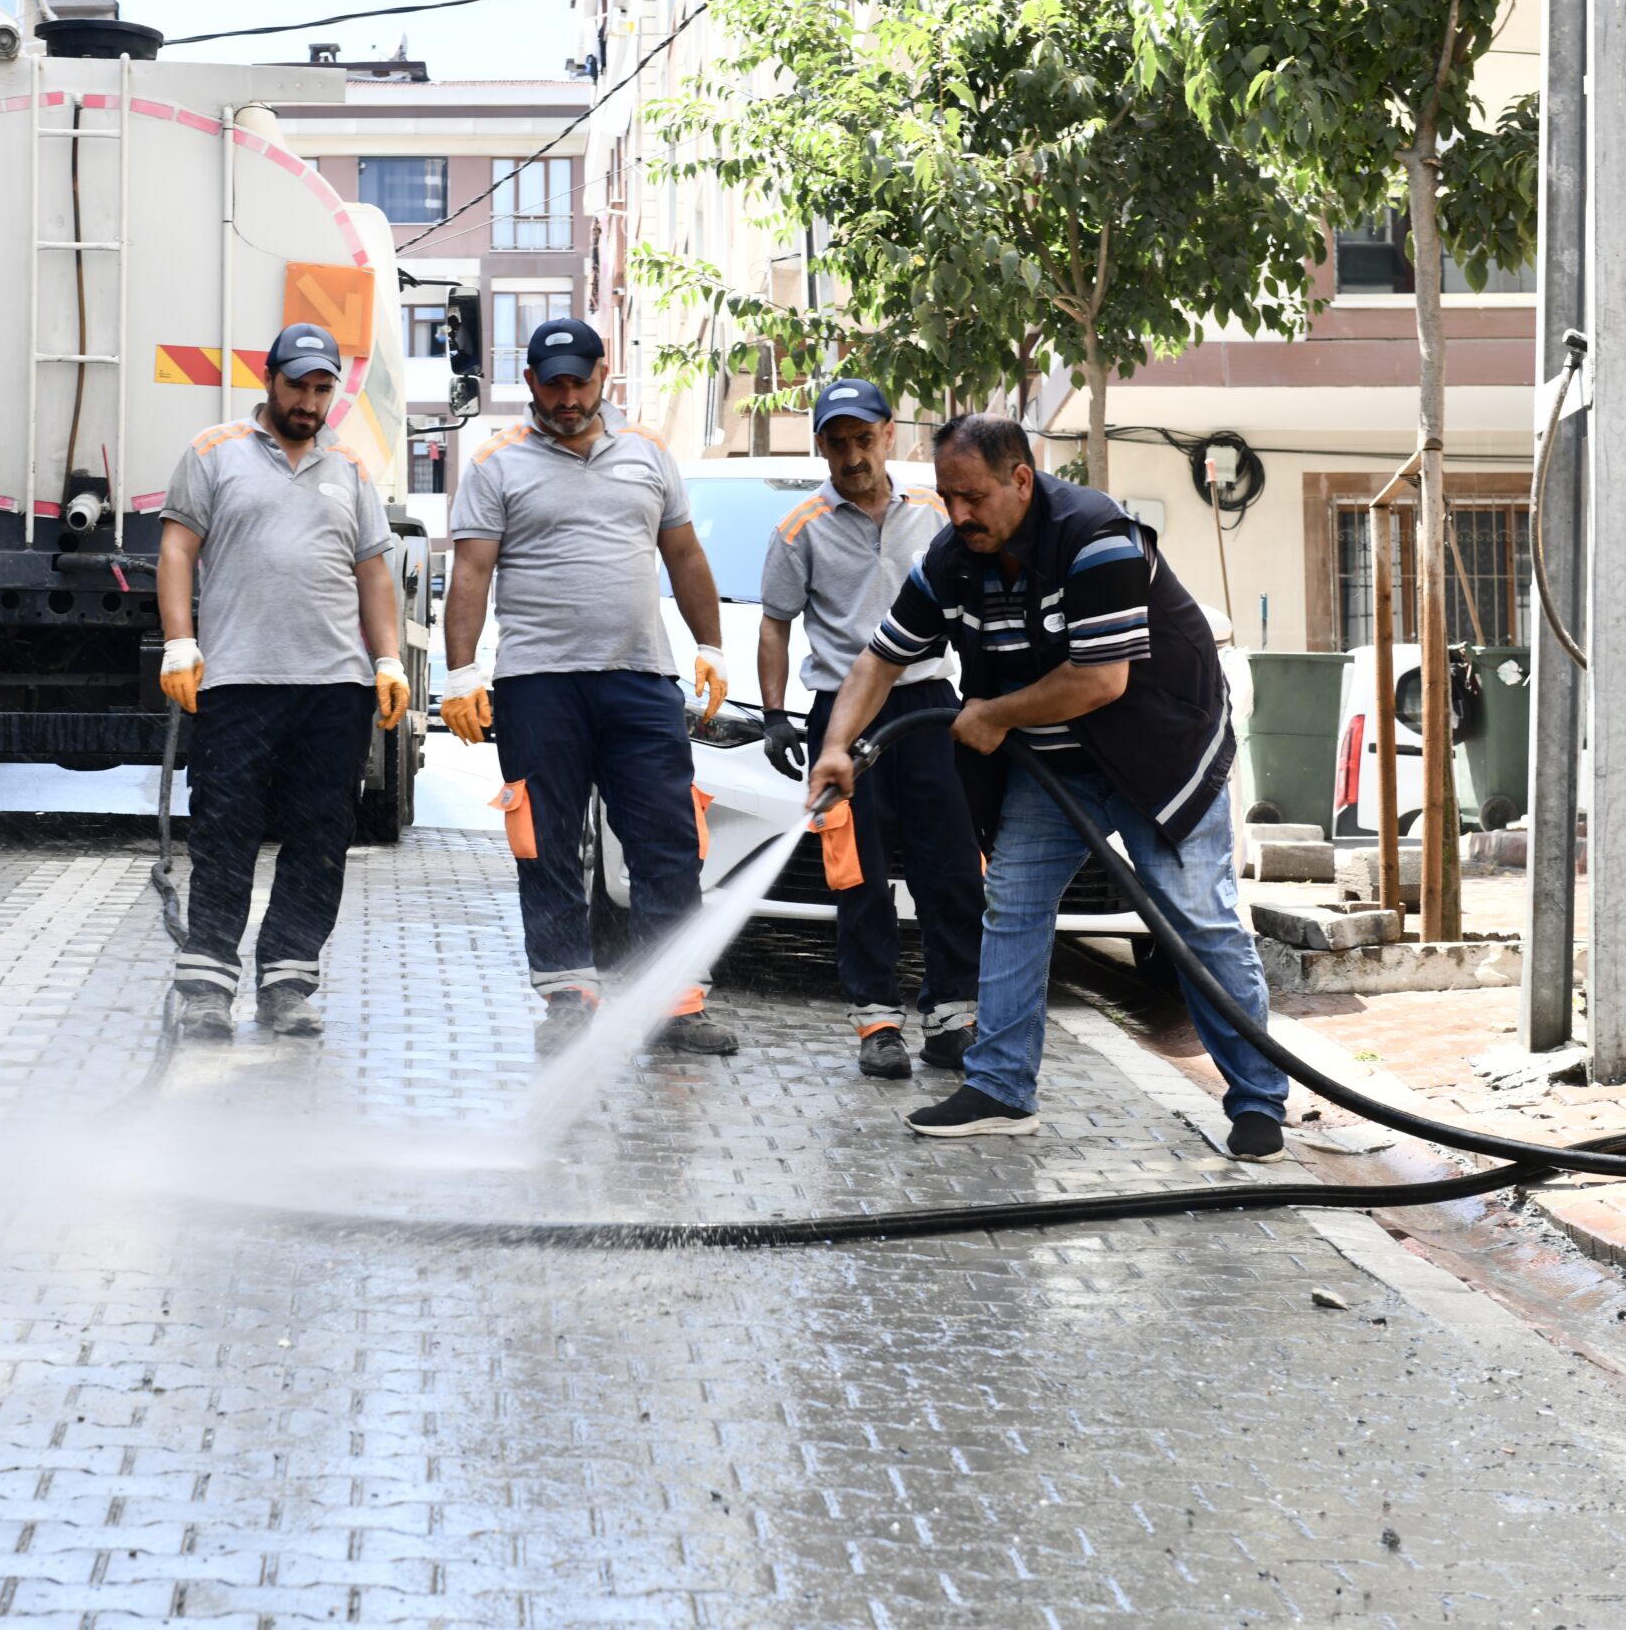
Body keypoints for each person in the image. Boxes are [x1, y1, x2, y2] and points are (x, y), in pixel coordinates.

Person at [806, 413, 1290, 1162]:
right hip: (1054, 763)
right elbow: (880, 659)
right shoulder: (952, 558)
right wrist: (838, 746)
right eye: (947, 497)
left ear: (1021, 480)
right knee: (1014, 905)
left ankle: (1257, 1102)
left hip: (1160, 759)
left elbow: (1099, 680)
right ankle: (1000, 1087)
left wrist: (993, 715)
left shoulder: (1095, 537)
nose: (957, 514)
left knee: (1197, 920)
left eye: (972, 497)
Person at [439, 317, 739, 1058]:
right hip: (538, 684)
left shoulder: (649, 454)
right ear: (531, 383)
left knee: (668, 838)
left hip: (641, 677)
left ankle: (675, 1004)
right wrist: (461, 672)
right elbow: (471, 572)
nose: (568, 398)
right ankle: (567, 995)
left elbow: (685, 555)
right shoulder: (496, 463)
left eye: (580, 381)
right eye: (554, 385)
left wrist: (710, 647)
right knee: (544, 842)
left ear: (603, 374)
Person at [156, 324, 410, 1041]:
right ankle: (207, 986)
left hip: (335, 689)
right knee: (225, 833)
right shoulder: (214, 452)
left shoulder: (350, 468)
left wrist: (388, 659)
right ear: (269, 379)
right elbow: (176, 548)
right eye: (297, 385)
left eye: (323, 388)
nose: (309, 401)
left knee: (319, 838)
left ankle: (288, 984)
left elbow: (373, 572)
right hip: (237, 680)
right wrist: (180, 642)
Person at [756, 377, 981, 1080]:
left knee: (952, 866)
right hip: (844, 718)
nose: (852, 456)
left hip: (928, 706)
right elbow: (775, 624)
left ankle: (952, 1019)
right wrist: (774, 714)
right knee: (859, 873)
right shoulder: (800, 529)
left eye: (863, 439)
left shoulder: (936, 515)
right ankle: (877, 1022)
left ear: (888, 434)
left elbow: (973, 608)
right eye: (837, 443)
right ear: (820, 446)